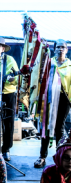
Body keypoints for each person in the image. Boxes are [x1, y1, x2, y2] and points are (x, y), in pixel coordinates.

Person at [35, 39, 71, 168]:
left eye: (63, 47)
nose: (60, 49)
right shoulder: (49, 63)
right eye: (58, 47)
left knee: (59, 128)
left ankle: (60, 156)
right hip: (49, 98)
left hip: (64, 99)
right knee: (46, 127)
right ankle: (42, 156)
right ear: (54, 49)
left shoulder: (70, 66)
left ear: (67, 50)